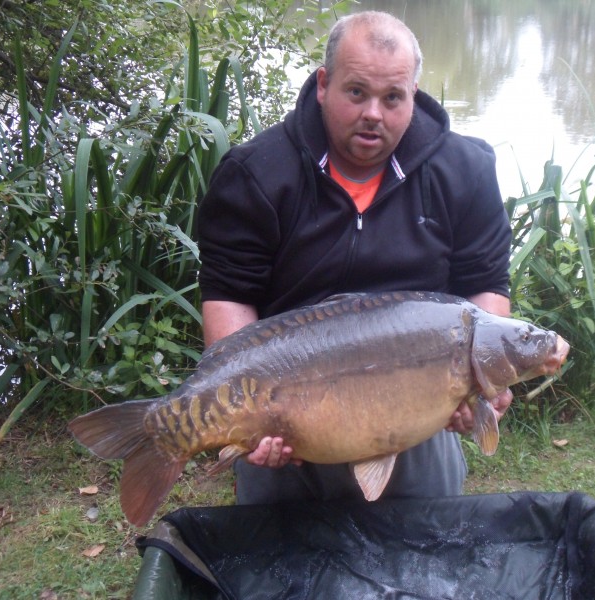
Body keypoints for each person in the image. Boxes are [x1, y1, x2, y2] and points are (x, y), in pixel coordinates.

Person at [196, 10, 513, 504]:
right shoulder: (256, 173)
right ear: (324, 84)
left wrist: (484, 375)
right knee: (278, 567)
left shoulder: (464, 171)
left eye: (393, 98)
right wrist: (246, 410)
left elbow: (485, 282)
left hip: (414, 416)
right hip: (290, 409)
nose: (374, 114)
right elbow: (229, 294)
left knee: (424, 562)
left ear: (413, 93)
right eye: (357, 92)